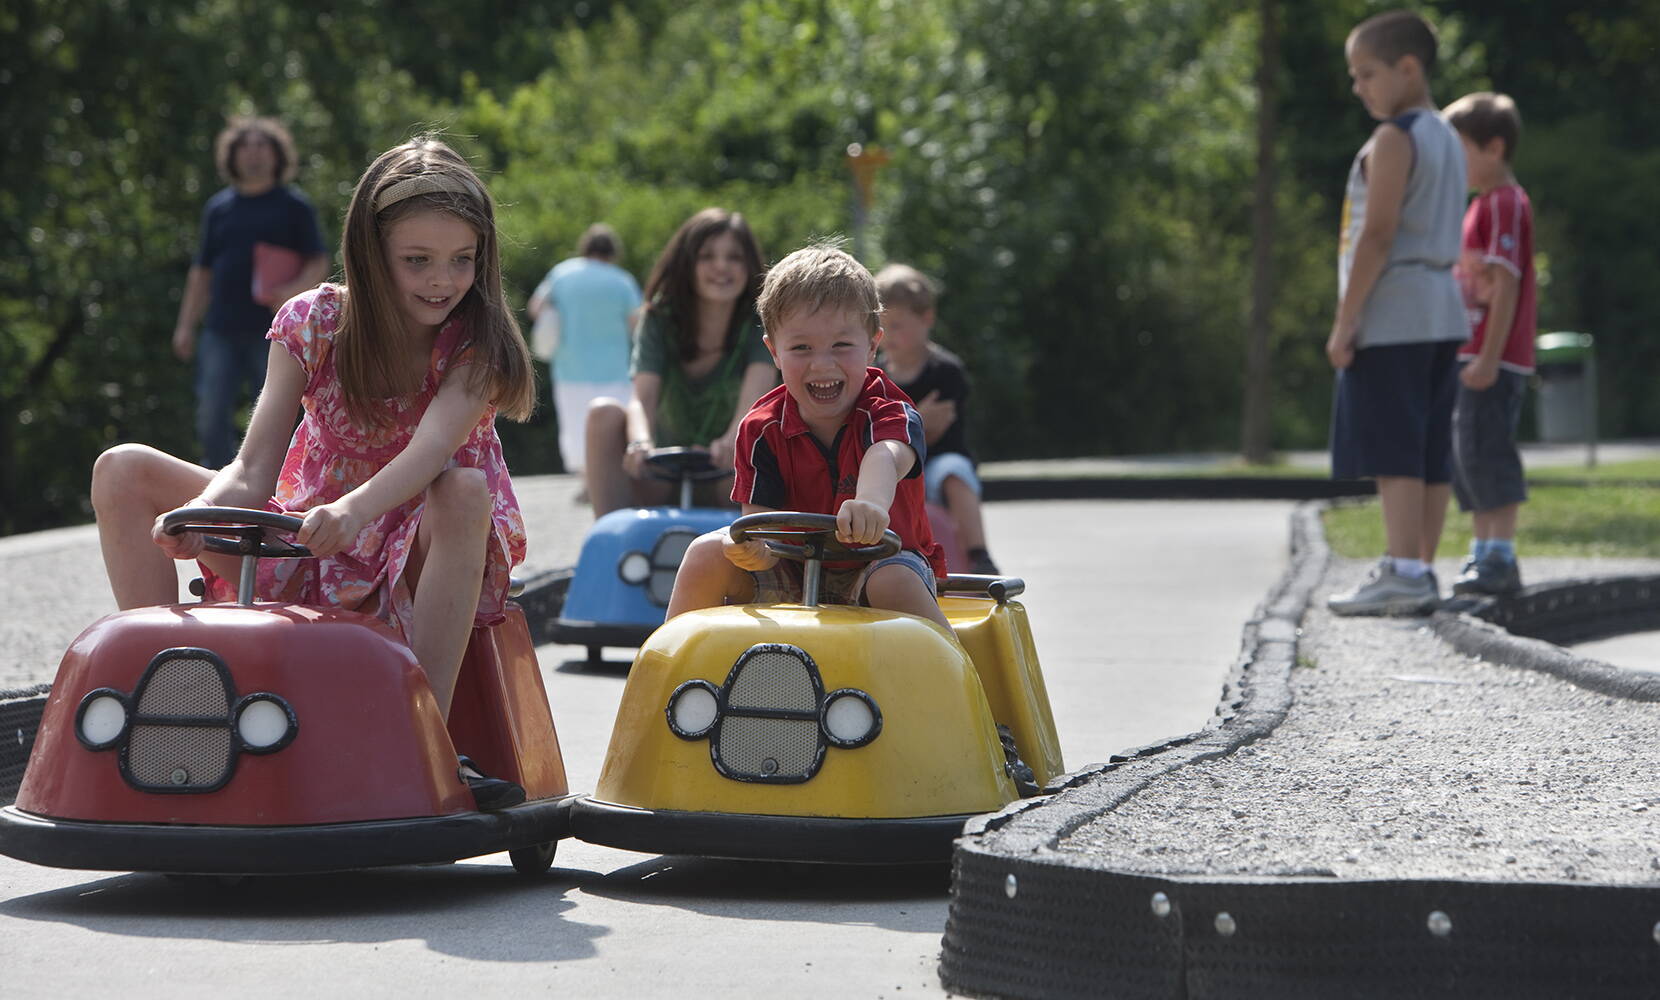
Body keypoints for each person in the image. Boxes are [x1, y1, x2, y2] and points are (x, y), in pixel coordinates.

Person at [92, 136, 535, 809]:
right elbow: (253, 466)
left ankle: (425, 742)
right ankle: (178, 711)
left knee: (464, 489)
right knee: (121, 470)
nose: (442, 280)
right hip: (310, 535)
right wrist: (201, 514)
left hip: (410, 546)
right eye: (417, 261)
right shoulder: (313, 321)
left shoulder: (476, 344)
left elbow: (428, 452)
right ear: (370, 252)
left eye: (461, 260)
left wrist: (355, 512)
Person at [666, 242, 950, 629]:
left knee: (893, 579)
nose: (822, 364)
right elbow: (758, 526)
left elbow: (886, 454)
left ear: (872, 346)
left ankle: (954, 674)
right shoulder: (761, 428)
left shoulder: (888, 410)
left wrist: (869, 503)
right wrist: (753, 551)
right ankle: (668, 678)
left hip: (881, 561)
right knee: (705, 553)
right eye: (801, 347)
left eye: (841, 345)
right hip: (791, 569)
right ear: (774, 352)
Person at [1324, 9, 1469, 617]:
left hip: (1396, 312)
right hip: (1443, 310)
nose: (1359, 87)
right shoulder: (1445, 134)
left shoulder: (1393, 138)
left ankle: (1403, 570)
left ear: (1407, 69)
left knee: (1393, 448)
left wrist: (1345, 319)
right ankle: (1419, 568)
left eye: (1367, 74)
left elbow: (1377, 234)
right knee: (1429, 448)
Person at [584, 208, 776, 516]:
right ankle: (612, 543)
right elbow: (641, 399)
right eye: (707, 256)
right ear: (688, 263)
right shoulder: (660, 318)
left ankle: (752, 552)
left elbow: (753, 405)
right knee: (603, 413)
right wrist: (640, 443)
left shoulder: (759, 324)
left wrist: (729, 443)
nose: (721, 267)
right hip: (661, 470)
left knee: (757, 438)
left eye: (734, 258)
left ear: (749, 265)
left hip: (727, 472)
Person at [172, 116, 330, 469]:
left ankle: (279, 494)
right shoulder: (218, 208)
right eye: (246, 146)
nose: (254, 154)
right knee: (211, 416)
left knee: (278, 418)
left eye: (262, 146)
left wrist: (291, 291)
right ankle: (217, 497)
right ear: (232, 155)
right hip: (221, 328)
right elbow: (201, 272)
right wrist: (185, 326)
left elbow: (317, 262)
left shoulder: (294, 206)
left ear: (277, 155)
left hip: (277, 334)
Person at [1443, 93, 1534, 596]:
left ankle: (1501, 554)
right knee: (1467, 453)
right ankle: (1482, 550)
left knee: (1489, 451)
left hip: (1492, 358)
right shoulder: (1480, 205)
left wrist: (1489, 357)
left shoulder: (1504, 203)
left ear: (1494, 148)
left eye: (1462, 151)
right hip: (1473, 353)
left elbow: (1507, 283)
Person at [875, 263, 999, 576]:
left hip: (936, 463)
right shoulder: (876, 377)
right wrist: (919, 416)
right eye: (882, 325)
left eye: (898, 325)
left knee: (954, 472)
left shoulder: (946, 371)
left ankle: (979, 553)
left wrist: (910, 420)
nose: (889, 335)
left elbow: (931, 432)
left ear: (926, 319)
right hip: (893, 468)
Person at [526, 223, 643, 474]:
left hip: (570, 366)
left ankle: (584, 477)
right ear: (613, 251)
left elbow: (536, 307)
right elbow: (637, 325)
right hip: (615, 368)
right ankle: (608, 475)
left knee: (576, 425)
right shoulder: (622, 281)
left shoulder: (562, 274)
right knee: (614, 425)